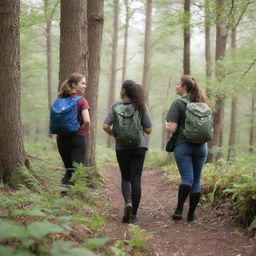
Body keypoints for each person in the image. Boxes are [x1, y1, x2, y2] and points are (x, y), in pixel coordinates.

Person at [103, 80, 153, 224]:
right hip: (139, 147)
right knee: (135, 179)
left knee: (125, 177)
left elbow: (105, 126)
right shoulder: (141, 105)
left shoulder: (115, 106)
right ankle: (134, 215)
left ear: (124, 90)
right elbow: (149, 129)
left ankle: (128, 203)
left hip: (122, 147)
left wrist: (116, 134)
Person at [165, 75, 209, 223]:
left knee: (187, 179)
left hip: (183, 146)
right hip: (202, 147)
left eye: (178, 84)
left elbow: (172, 128)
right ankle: (191, 216)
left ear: (184, 87)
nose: (176, 86)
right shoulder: (202, 103)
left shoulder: (178, 103)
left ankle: (178, 210)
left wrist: (167, 126)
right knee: (196, 181)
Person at [56, 73, 90, 193]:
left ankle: (63, 196)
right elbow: (86, 120)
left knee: (68, 169)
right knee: (77, 170)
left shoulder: (60, 100)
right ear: (75, 85)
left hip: (61, 139)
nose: (85, 86)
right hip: (77, 138)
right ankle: (67, 197)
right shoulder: (82, 101)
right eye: (83, 83)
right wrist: (85, 130)